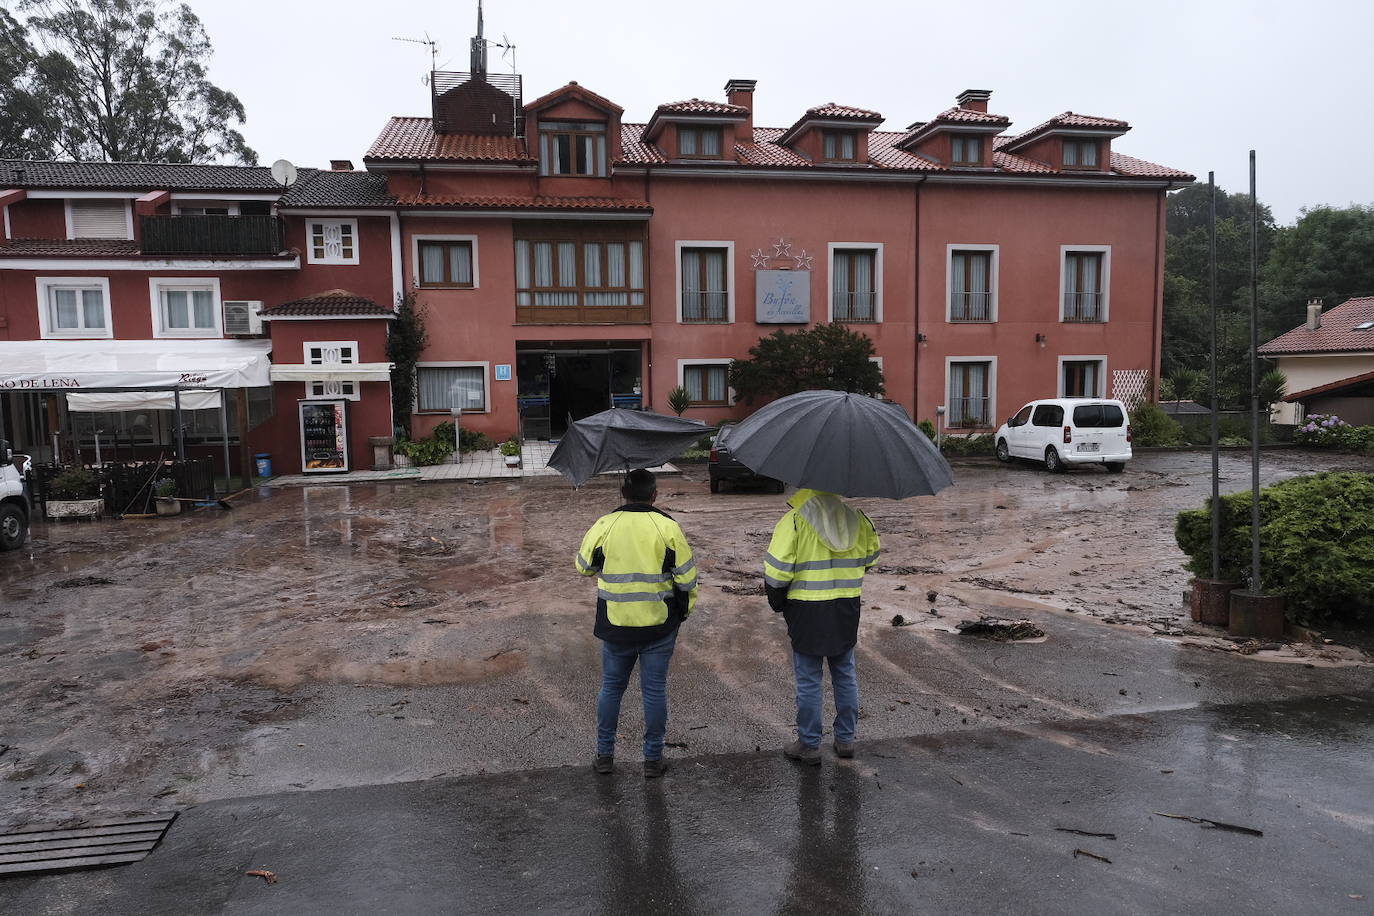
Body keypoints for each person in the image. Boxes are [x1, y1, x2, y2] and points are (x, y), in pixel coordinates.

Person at [576, 469, 698, 778]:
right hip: (659, 625)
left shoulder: (605, 524)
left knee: (612, 688)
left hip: (616, 625)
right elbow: (687, 579)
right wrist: (683, 612)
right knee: (654, 691)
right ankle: (653, 761)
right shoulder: (668, 527)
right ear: (655, 495)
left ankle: (604, 757)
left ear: (624, 495)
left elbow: (583, 567)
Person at [764, 489, 880, 765]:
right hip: (845, 608)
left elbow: (777, 572)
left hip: (807, 610)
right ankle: (846, 739)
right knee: (844, 673)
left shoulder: (794, 521)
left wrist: (778, 602)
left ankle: (809, 743)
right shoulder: (859, 519)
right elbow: (871, 558)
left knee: (808, 679)